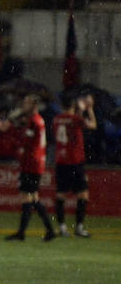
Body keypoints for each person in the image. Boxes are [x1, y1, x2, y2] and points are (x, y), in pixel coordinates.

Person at [5, 93, 58, 241]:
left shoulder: (34, 121)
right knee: (31, 197)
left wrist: (15, 131)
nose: (24, 105)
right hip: (35, 163)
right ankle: (43, 231)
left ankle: (30, 232)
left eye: (27, 103)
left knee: (29, 197)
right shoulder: (36, 120)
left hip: (31, 164)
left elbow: (26, 142)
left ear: (34, 105)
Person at [52, 91, 97, 238]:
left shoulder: (56, 119)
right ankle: (79, 227)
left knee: (60, 195)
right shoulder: (76, 119)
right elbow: (93, 125)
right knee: (83, 195)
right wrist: (88, 109)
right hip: (75, 162)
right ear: (73, 105)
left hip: (61, 161)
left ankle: (62, 227)